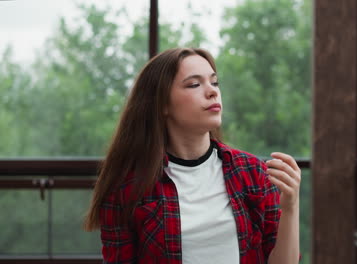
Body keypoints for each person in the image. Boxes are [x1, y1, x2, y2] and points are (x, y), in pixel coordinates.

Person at [83, 47, 301, 263]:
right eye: (194, 84)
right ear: (162, 105)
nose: (212, 91)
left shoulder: (252, 173)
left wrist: (290, 206)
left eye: (214, 82)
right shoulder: (127, 188)